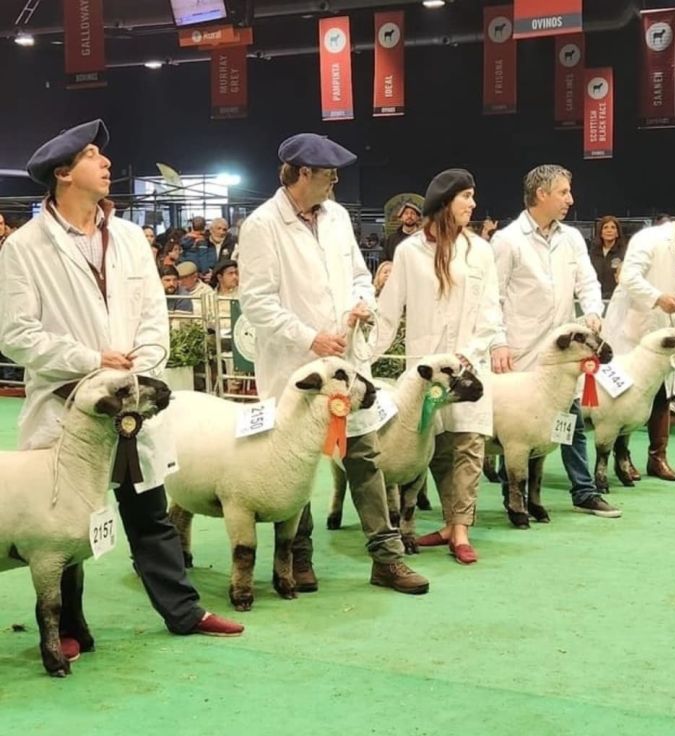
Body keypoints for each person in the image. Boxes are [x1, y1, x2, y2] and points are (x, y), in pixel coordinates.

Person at [0, 119, 243, 661]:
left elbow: (155, 316)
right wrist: (91, 363)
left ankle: (183, 611)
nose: (106, 163)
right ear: (64, 174)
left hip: (132, 403)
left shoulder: (131, 238)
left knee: (150, 511)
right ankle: (69, 627)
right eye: (92, 155)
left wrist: (144, 364)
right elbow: (16, 336)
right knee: (60, 525)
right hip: (68, 407)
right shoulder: (25, 248)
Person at [237, 132, 428, 595]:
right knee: (294, 462)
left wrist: (363, 301)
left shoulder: (339, 217)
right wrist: (309, 337)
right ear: (303, 174)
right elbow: (256, 302)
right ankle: (298, 556)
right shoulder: (262, 225)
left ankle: (386, 557)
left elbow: (360, 275)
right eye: (328, 174)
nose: (335, 182)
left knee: (363, 456)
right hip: (297, 370)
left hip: (346, 364)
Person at [375, 169, 502, 564]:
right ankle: (450, 523)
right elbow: (388, 313)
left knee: (469, 443)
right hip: (427, 369)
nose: (473, 204)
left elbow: (490, 308)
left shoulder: (479, 250)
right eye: (466, 196)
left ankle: (460, 529)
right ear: (444, 203)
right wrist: (363, 354)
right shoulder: (409, 252)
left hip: (467, 365)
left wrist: (472, 350)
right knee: (438, 448)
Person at [490, 164, 621, 519]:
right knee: (515, 428)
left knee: (571, 421)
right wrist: (498, 342)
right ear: (541, 194)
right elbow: (493, 297)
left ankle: (584, 491)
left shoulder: (572, 238)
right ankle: (515, 498)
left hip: (564, 355)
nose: (570, 199)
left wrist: (593, 312)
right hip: (522, 350)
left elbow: (589, 283)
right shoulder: (507, 240)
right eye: (563, 192)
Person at [603, 203, 675, 479]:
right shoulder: (650, 239)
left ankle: (658, 457)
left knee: (661, 394)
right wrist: (657, 297)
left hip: (662, 331)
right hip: (632, 328)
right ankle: (622, 458)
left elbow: (674, 294)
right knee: (624, 398)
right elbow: (628, 277)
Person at [589, 215, 626, 299]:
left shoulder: (624, 254)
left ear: (617, 233)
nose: (609, 230)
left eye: (613, 227)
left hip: (616, 299)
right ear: (601, 233)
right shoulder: (593, 253)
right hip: (595, 299)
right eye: (605, 227)